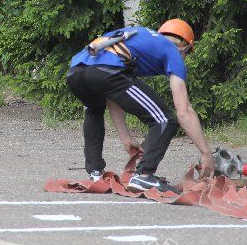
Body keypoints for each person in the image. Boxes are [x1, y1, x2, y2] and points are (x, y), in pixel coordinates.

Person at [66, 19, 213, 193]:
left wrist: (126, 139)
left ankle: (95, 173)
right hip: (106, 71)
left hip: (75, 72)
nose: (184, 59)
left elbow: (111, 95)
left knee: (94, 109)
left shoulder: (140, 38)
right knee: (165, 119)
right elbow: (184, 112)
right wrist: (206, 153)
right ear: (184, 47)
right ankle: (144, 176)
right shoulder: (171, 50)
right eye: (187, 55)